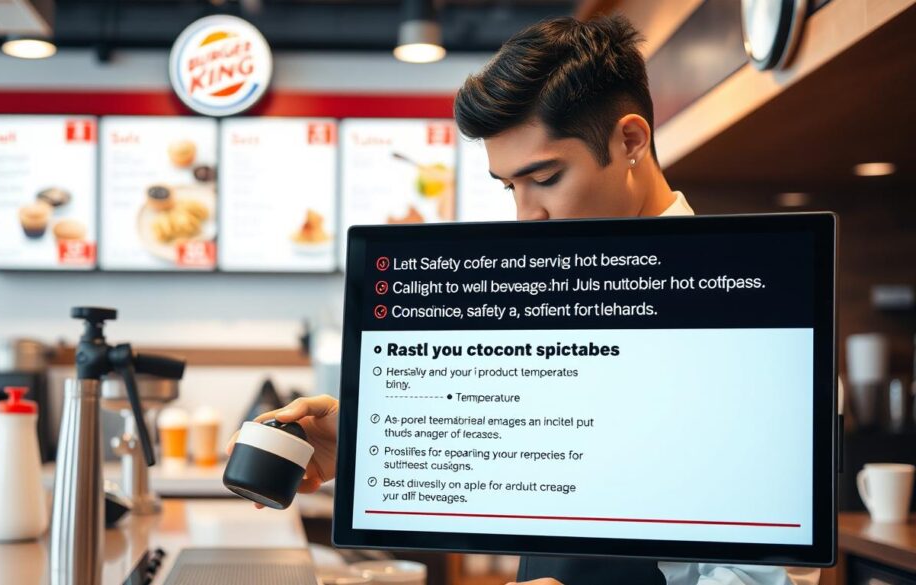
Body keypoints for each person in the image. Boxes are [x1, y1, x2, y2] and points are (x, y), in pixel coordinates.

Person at [227, 14, 820, 585]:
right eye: (511, 186)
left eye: (546, 178)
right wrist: (374, 446)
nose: (526, 215)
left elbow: (773, 577)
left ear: (631, 140)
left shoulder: (757, 316)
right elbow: (542, 458)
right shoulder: (563, 293)